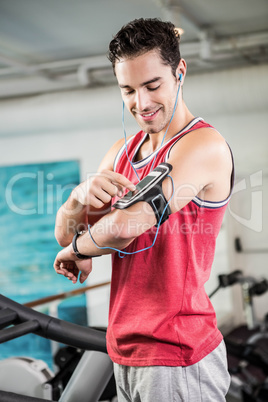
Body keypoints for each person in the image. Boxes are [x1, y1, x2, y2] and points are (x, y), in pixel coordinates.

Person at [54, 18, 233, 401]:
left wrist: (76, 250)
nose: (142, 103)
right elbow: (64, 231)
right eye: (129, 90)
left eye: (153, 85)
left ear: (179, 72)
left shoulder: (202, 145)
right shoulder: (121, 152)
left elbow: (124, 226)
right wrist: (77, 199)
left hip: (177, 352)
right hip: (126, 349)